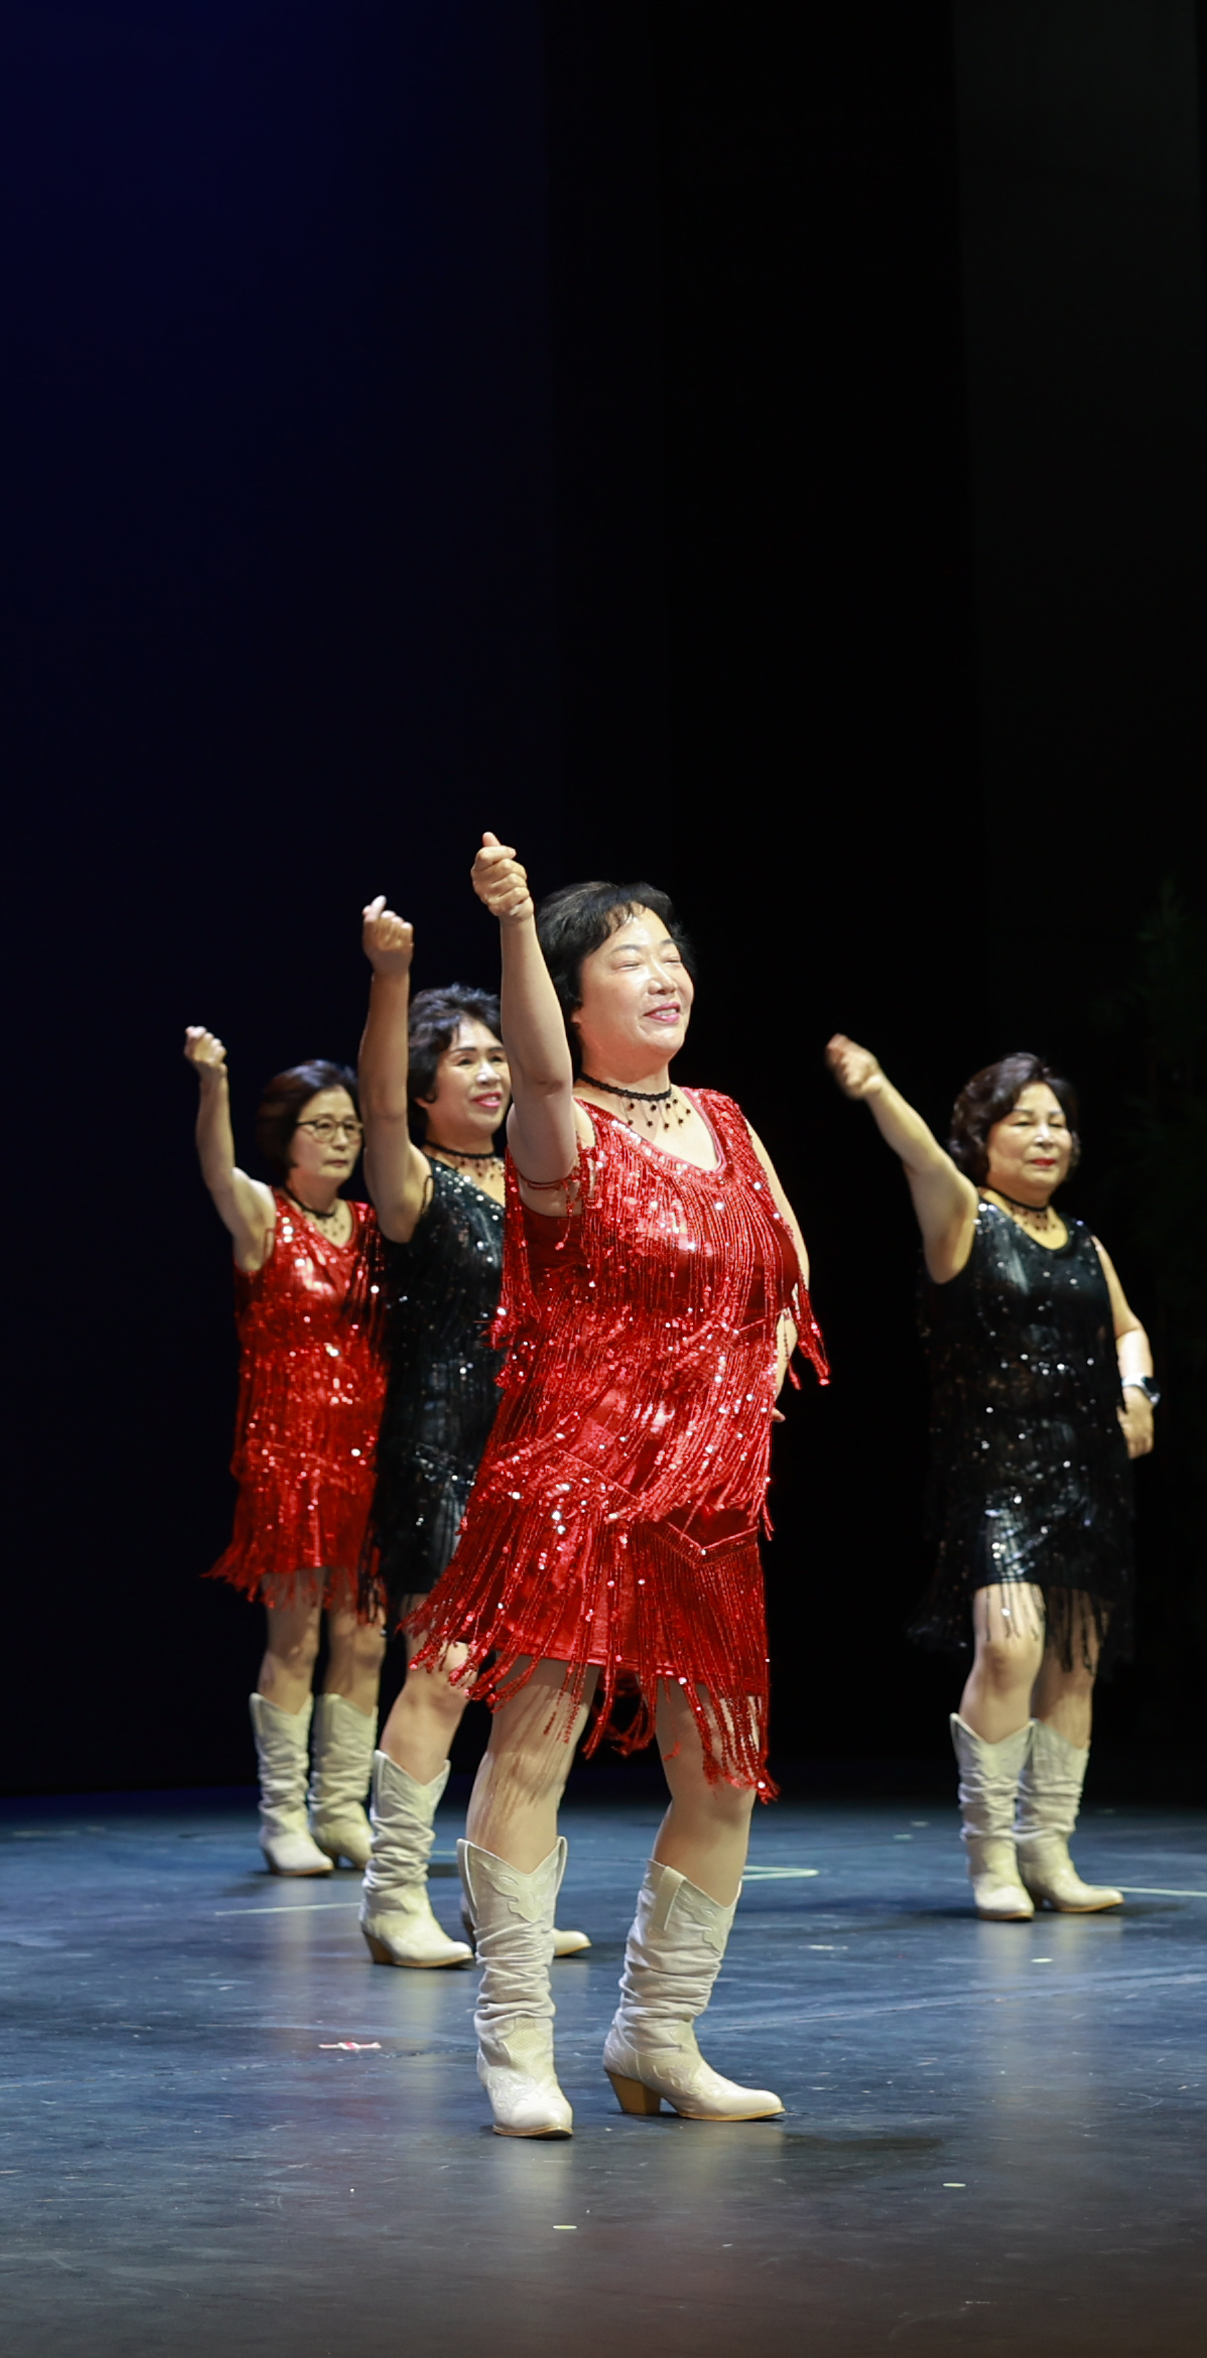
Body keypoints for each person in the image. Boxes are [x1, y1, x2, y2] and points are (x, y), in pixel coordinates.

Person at [407, 839, 822, 2137]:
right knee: (532, 1751)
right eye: (628, 960)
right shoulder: (556, 1120)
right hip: (575, 1482)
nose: (664, 976)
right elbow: (529, 1060)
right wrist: (519, 922)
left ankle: (657, 2036)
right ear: (574, 1000)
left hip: (706, 1503)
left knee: (718, 1779)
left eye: (671, 955)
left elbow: (785, 1271)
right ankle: (516, 2048)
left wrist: (751, 1379)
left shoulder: (729, 1123)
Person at [825, 1035, 1150, 1920]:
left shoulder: (1084, 1241)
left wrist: (1138, 1388)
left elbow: (1128, 1329)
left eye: (1059, 1124)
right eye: (1025, 1121)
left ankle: (1049, 1851)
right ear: (985, 1135)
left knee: (1074, 1667)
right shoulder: (965, 1217)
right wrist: (880, 1086)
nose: (1046, 1137)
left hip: (1086, 1472)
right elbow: (921, 1157)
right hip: (996, 1470)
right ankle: (991, 1855)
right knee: (1009, 1648)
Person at [351, 913, 579, 1974]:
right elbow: (379, 1107)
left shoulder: (539, 1187)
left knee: (534, 1684)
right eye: (467, 1058)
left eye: (499, 1054)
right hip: (441, 1448)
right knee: (440, 1672)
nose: (489, 1072)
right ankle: (394, 1896)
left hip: (534, 1454)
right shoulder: (413, 1187)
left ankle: (500, 1894)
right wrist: (391, 977)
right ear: (429, 1085)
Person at [187, 1024, 387, 1874]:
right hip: (290, 1458)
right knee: (297, 1639)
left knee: (369, 1639)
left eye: (351, 1127)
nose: (341, 1141)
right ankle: (284, 1816)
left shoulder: (378, 1227)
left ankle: (343, 1810)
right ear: (288, 1138)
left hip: (369, 1455)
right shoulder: (266, 1216)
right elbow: (214, 1168)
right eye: (324, 1127)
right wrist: (213, 1086)